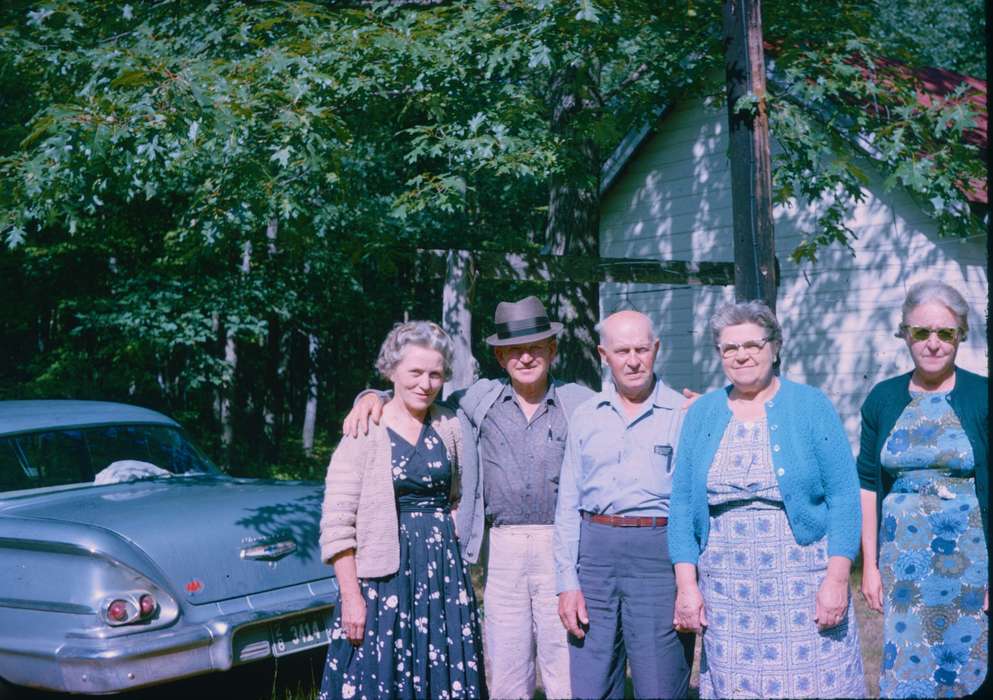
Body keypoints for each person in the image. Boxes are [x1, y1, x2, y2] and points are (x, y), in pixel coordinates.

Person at [343, 297, 594, 699]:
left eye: (535, 347)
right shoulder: (477, 401)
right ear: (499, 356)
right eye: (514, 349)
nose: (525, 357)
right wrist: (370, 396)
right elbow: (417, 393)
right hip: (503, 546)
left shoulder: (581, 404)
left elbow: (624, 410)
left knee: (565, 662)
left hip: (561, 545)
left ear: (552, 350)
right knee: (508, 668)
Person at [668, 300, 865, 698]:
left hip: (801, 578)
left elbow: (844, 496)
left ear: (774, 347)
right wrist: (687, 586)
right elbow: (683, 504)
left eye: (753, 345)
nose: (742, 355)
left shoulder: (811, 405)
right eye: (729, 348)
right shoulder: (703, 412)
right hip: (728, 587)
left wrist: (837, 579)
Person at [319, 321, 486, 700]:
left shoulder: (450, 424)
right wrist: (351, 597)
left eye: (435, 374)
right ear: (391, 371)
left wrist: (455, 527)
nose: (425, 384)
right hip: (383, 578)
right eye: (415, 372)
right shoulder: (364, 427)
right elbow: (338, 523)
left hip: (442, 576)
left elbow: (461, 492)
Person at [554, 310, 694, 699]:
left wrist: (690, 582)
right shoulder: (585, 416)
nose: (633, 360)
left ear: (656, 350)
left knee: (660, 682)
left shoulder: (685, 415)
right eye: (622, 351)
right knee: (592, 680)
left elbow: (694, 504)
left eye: (641, 349)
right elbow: (568, 504)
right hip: (595, 555)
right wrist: (567, 581)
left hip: (658, 555)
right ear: (603, 354)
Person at [857, 280, 988, 698]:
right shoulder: (882, 398)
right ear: (906, 334)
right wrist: (872, 566)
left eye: (945, 333)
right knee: (909, 665)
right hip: (904, 564)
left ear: (960, 335)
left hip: (971, 559)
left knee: (969, 665)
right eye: (921, 332)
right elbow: (867, 483)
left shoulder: (983, 395)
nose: (933, 344)